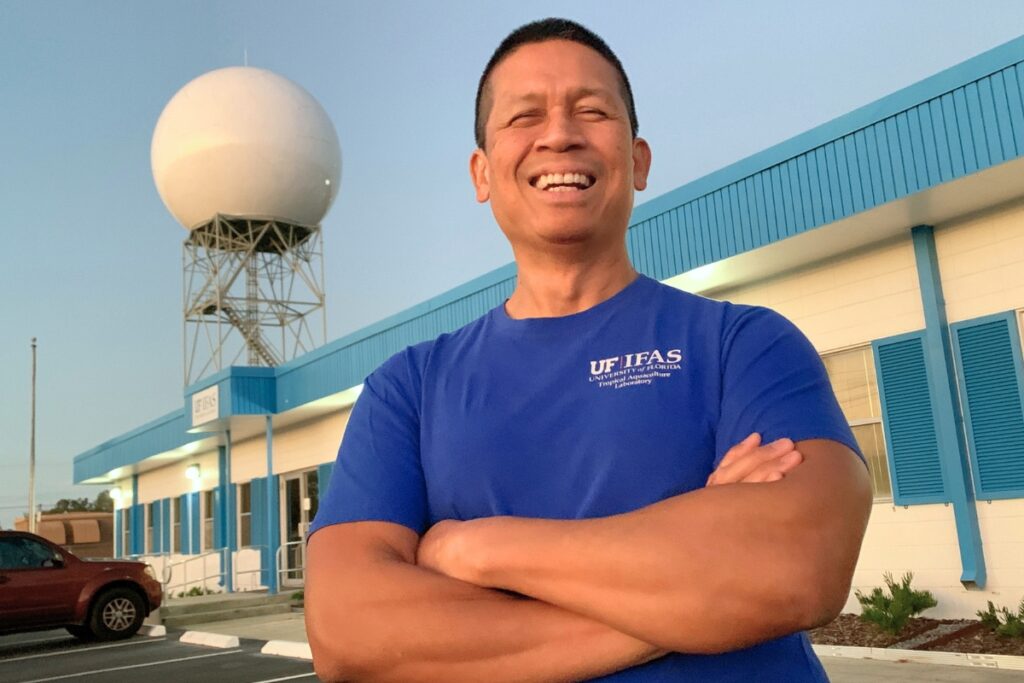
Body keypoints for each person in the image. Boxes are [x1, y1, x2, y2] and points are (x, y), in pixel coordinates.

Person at [306, 17, 871, 682]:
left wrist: (475, 546)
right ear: (481, 172)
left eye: (591, 110)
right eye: (525, 116)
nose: (559, 134)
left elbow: (799, 562)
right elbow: (349, 630)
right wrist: (700, 594)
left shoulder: (743, 344)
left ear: (638, 160)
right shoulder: (408, 389)